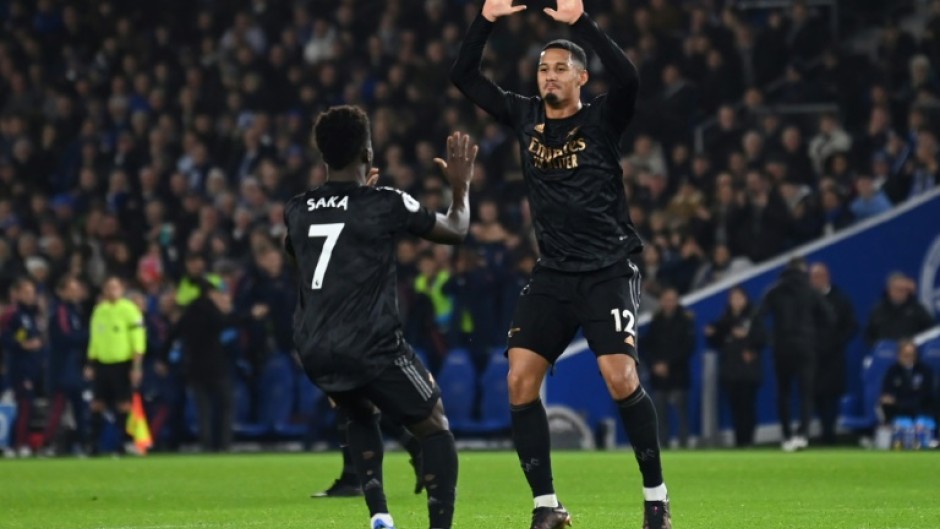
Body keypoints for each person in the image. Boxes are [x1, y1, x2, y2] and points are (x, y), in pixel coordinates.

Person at [451, 1, 670, 527]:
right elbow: (464, 76)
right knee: (519, 381)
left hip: (607, 269)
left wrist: (581, 23)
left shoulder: (602, 118)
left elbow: (630, 78)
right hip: (553, 273)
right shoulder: (524, 115)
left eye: (559, 69)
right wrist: (486, 19)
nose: (548, 76)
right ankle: (546, 506)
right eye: (543, 69)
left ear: (581, 79)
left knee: (620, 376)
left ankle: (656, 499)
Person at [283, 105, 476, 529]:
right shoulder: (383, 202)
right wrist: (460, 188)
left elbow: (298, 254)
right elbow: (456, 230)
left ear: (322, 154)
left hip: (314, 347)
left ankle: (381, 516)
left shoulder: (297, 208)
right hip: (370, 343)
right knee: (435, 426)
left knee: (359, 410)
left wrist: (353, 208)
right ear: (367, 152)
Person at [160, 278, 267, 452]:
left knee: (204, 410)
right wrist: (251, 315)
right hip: (216, 367)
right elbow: (228, 321)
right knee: (225, 405)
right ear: (210, 293)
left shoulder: (189, 313)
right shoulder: (210, 310)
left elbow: (173, 335)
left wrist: (163, 358)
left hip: (194, 367)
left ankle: (206, 445)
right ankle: (224, 444)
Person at [751, 257, 834, 452]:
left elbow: (758, 317)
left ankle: (787, 435)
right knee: (806, 393)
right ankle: (803, 434)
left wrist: (768, 339)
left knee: (784, 393)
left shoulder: (775, 290)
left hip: (782, 347)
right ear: (803, 269)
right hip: (806, 347)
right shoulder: (810, 291)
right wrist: (816, 339)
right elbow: (829, 317)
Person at [85, 276, 147, 455]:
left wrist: (136, 366)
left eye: (115, 287)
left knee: (124, 404)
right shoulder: (99, 311)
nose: (112, 291)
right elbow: (95, 339)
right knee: (97, 403)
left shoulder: (130, 310)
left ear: (122, 289)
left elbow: (138, 340)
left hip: (122, 363)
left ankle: (125, 443)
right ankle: (93, 445)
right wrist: (90, 363)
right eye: (109, 287)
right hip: (102, 363)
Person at [705, 286, 765, 447]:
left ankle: (748, 441)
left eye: (739, 298)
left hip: (748, 371)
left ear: (745, 299)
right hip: (731, 371)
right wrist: (711, 334)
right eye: (733, 298)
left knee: (747, 407)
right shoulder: (725, 319)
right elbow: (716, 342)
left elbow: (763, 338)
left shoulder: (753, 317)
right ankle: (740, 441)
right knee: (736, 408)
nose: (736, 301)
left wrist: (749, 340)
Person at [808, 262, 858, 445]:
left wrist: (837, 342)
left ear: (827, 277)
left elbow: (851, 326)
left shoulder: (840, 299)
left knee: (832, 397)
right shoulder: (805, 301)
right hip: (812, 359)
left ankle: (830, 433)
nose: (817, 280)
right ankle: (824, 431)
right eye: (813, 277)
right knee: (816, 397)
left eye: (820, 276)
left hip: (833, 359)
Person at [642, 288, 696, 449]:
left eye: (672, 300)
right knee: (659, 413)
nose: (669, 303)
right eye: (666, 299)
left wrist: (667, 364)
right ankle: (663, 445)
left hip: (678, 375)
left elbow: (687, 348)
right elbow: (647, 347)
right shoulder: (656, 321)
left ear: (677, 301)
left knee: (681, 414)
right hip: (659, 377)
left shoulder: (685, 321)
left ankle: (683, 445)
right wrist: (654, 364)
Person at [43, 275, 90, 455]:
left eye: (76, 289)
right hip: (61, 367)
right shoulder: (60, 310)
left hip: (73, 367)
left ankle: (82, 444)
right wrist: (88, 335)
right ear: (61, 291)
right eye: (71, 289)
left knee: (80, 407)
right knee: (58, 406)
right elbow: (65, 337)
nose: (75, 292)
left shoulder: (74, 310)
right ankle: (47, 444)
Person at [0, 277, 45, 457]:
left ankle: (17, 443)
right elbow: (4, 337)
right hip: (18, 367)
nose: (30, 295)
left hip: (32, 367)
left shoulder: (32, 314)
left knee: (27, 406)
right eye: (26, 292)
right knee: (25, 404)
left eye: (32, 292)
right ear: (17, 294)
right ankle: (18, 444)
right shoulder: (13, 314)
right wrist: (22, 345)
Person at [864, 273, 935, 346]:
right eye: (898, 289)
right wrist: (879, 346)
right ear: (889, 290)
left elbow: (931, 331)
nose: (901, 293)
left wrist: (916, 345)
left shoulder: (917, 309)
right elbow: (869, 335)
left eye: (904, 290)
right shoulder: (878, 310)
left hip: (911, 351)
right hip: (885, 351)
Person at [879, 340, 934, 423]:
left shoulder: (924, 371)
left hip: (919, 409)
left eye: (912, 355)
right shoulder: (892, 371)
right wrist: (888, 398)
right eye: (906, 355)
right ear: (899, 355)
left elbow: (926, 393)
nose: (909, 358)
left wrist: (901, 403)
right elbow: (887, 391)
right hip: (897, 410)